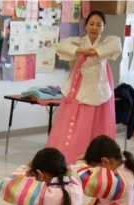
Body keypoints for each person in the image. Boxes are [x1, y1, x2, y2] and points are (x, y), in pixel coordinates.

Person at [46, 10, 122, 164]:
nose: (94, 28)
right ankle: (71, 156)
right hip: (79, 89)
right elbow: (61, 45)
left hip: (100, 89)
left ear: (103, 27)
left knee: (99, 125)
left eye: (98, 25)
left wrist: (97, 51)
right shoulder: (79, 42)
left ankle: (98, 158)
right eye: (91, 24)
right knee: (77, 127)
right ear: (86, 26)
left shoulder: (106, 42)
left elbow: (116, 45)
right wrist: (79, 50)